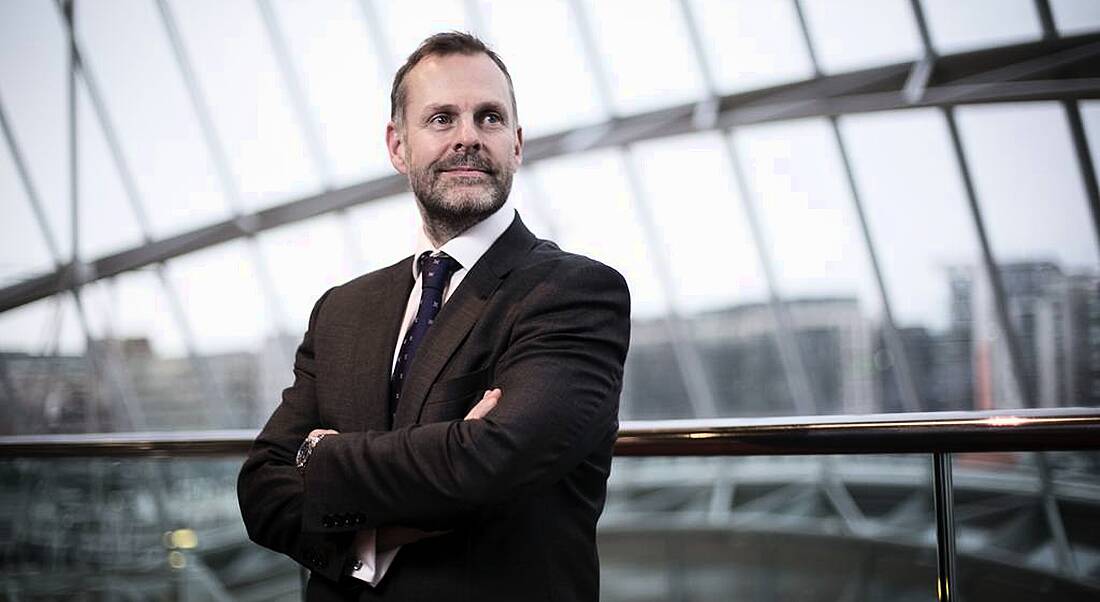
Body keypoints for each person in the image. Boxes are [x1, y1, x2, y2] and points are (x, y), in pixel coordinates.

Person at [237, 32, 631, 601]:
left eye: (489, 118)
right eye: (442, 118)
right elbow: (260, 490)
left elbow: (491, 464)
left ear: (517, 144)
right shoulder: (342, 310)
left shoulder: (573, 292)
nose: (469, 137)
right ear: (398, 147)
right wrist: (432, 481)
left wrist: (319, 457)